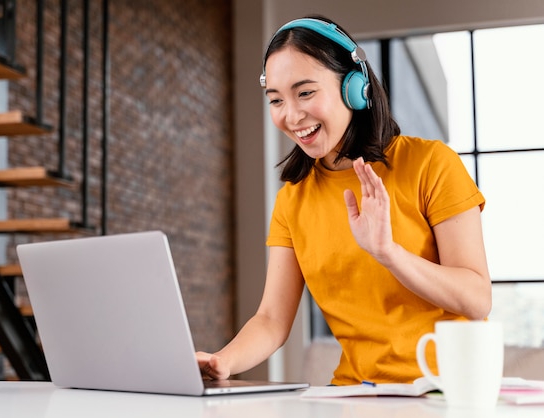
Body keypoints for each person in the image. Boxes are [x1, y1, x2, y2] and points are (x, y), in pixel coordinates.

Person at [197, 15, 491, 386]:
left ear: (355, 87)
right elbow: (272, 319)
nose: (291, 115)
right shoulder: (293, 200)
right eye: (276, 100)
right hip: (355, 395)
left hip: (443, 390)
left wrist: (389, 252)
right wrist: (222, 361)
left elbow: (477, 299)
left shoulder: (431, 165)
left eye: (305, 93)